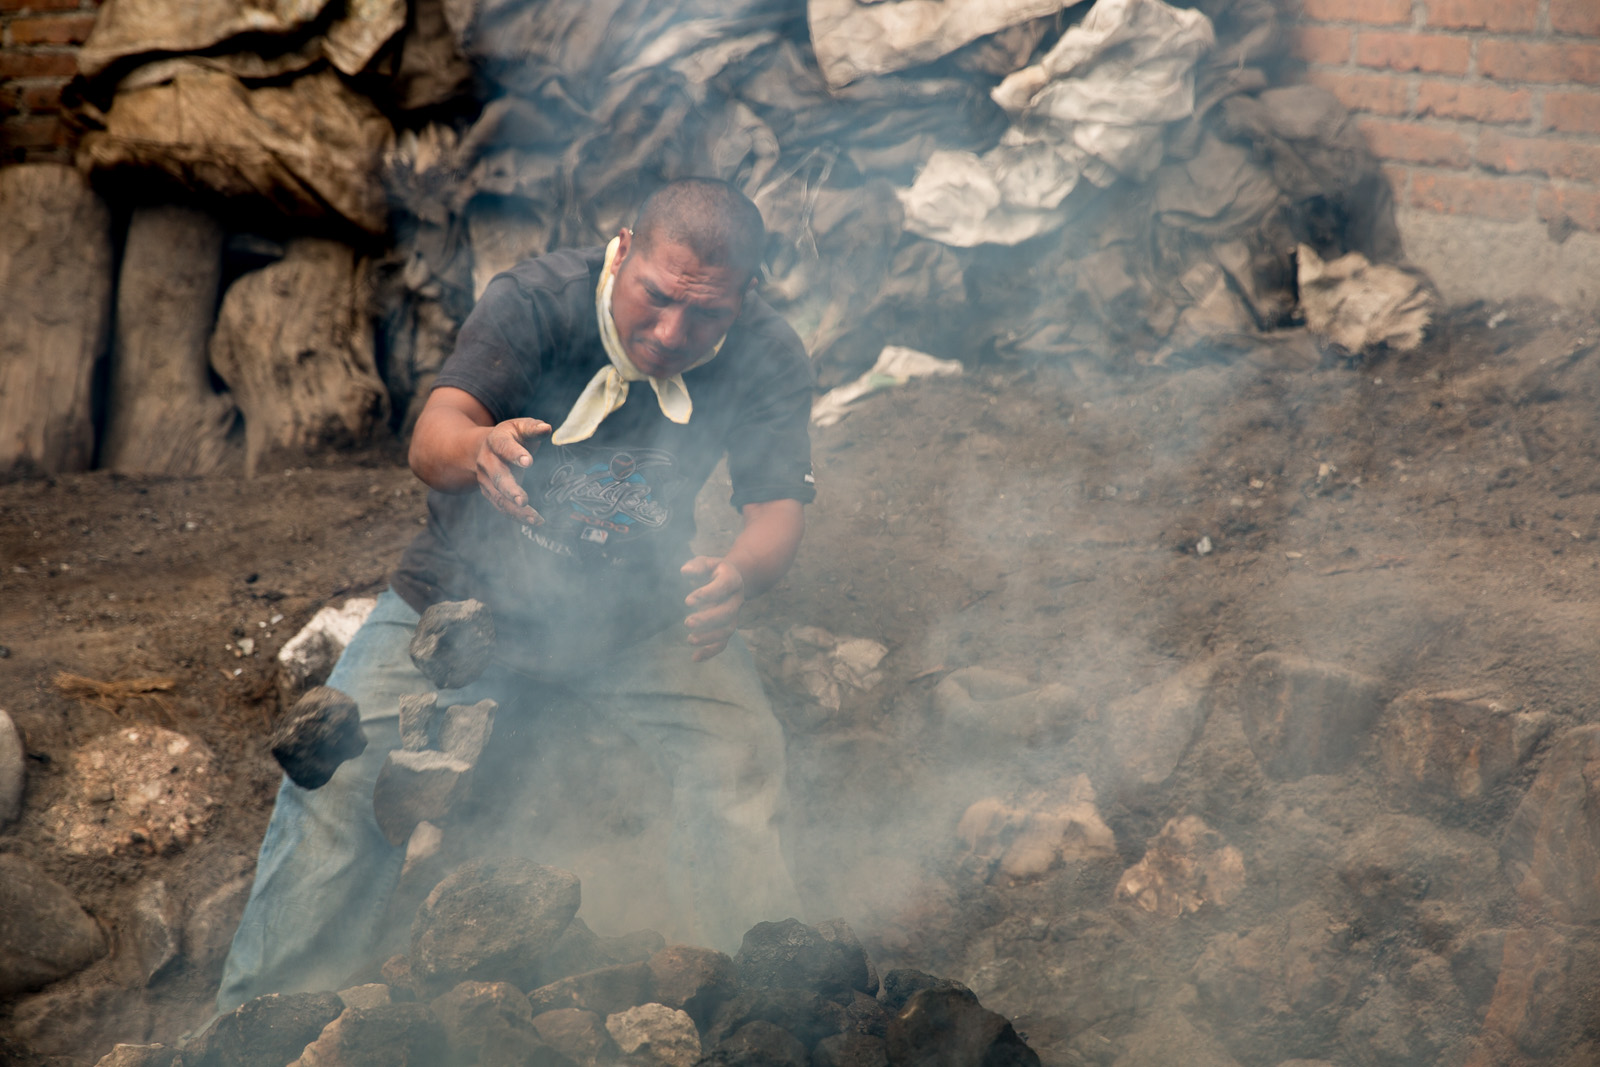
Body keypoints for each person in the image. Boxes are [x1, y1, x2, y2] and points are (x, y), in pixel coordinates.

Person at [218, 178, 816, 1011]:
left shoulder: (769, 353)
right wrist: (479, 445)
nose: (673, 333)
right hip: (458, 604)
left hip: (641, 616)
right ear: (622, 253)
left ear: (743, 300)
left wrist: (739, 574)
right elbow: (434, 437)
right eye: (656, 298)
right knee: (337, 771)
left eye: (707, 315)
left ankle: (761, 1009)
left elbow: (776, 509)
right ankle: (262, 1025)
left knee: (740, 756)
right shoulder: (535, 300)